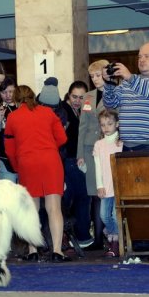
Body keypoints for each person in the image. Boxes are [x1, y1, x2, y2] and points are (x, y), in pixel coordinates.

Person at [4, 85, 69, 262]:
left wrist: (18, 167)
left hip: (27, 163)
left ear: (17, 100)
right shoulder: (48, 112)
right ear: (34, 96)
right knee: (54, 208)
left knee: (31, 210)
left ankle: (32, 250)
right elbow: (63, 138)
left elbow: (9, 150)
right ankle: (57, 251)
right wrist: (48, 148)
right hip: (50, 162)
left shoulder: (12, 117)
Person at [102, 42, 149, 152]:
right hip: (127, 146)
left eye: (147, 56)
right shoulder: (127, 82)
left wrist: (130, 77)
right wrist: (109, 84)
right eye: (139, 57)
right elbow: (110, 104)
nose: (141, 60)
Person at [78, 60, 109, 250]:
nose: (95, 79)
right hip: (90, 149)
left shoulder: (117, 93)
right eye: (92, 76)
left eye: (98, 75)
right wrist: (80, 153)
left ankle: (113, 238)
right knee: (95, 195)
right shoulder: (87, 97)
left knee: (110, 195)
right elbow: (82, 126)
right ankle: (97, 239)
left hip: (109, 147)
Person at [61, 81, 93, 245]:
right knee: (77, 198)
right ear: (68, 95)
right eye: (74, 96)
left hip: (80, 160)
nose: (77, 100)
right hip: (67, 160)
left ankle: (77, 236)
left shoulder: (84, 110)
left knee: (79, 198)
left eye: (81, 97)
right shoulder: (63, 111)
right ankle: (78, 236)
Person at [92, 109, 123, 257]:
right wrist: (99, 185)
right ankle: (111, 233)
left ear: (117, 124)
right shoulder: (99, 144)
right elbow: (98, 166)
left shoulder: (121, 143)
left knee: (115, 215)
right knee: (104, 216)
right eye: (103, 124)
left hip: (118, 185)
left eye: (109, 124)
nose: (106, 127)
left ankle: (115, 243)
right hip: (105, 186)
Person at [0, 76, 18, 182]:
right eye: (4, 92)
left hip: (21, 156)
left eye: (11, 91)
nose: (8, 95)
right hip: (4, 158)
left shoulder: (21, 107)